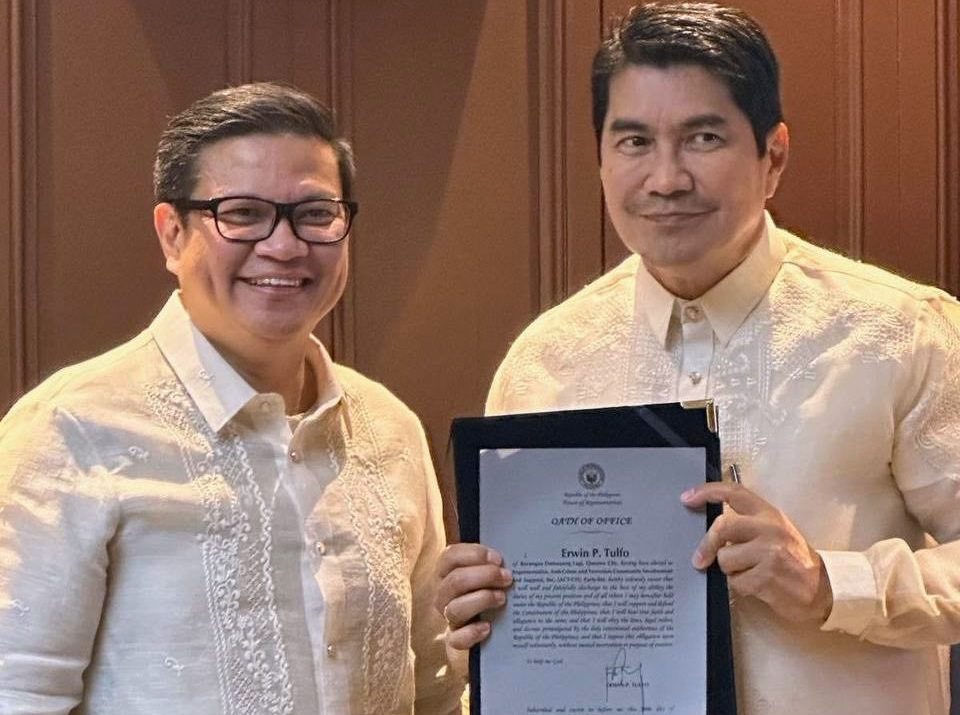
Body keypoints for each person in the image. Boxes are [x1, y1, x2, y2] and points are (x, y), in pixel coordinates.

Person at [435, 3, 960, 713]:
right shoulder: (546, 361)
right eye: (634, 141)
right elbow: (515, 634)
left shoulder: (899, 332)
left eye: (703, 137)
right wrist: (480, 613)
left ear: (773, 156)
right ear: (600, 158)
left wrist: (829, 583)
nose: (666, 178)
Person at [0, 82, 463, 714]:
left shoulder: (389, 428)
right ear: (172, 234)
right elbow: (17, 694)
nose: (284, 245)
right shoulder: (73, 429)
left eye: (315, 213)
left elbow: (435, 691)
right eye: (241, 213)